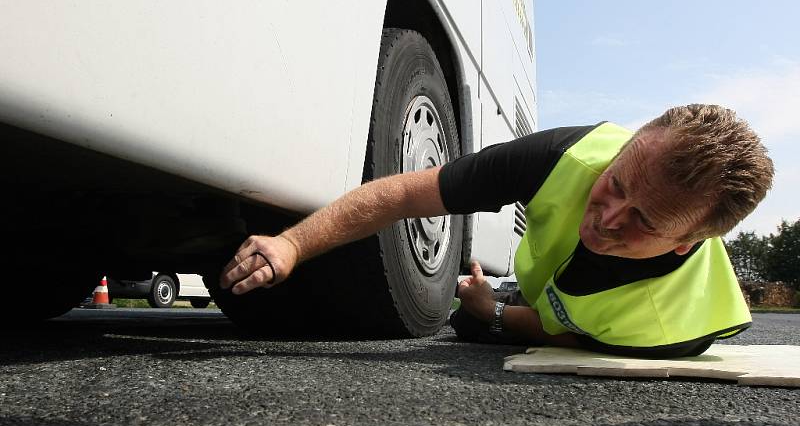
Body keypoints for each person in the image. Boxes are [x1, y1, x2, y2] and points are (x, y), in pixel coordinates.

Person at [219, 104, 773, 358]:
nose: (607, 219)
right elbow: (406, 192)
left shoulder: (663, 325)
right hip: (554, 287)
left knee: (472, 327)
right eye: (618, 184)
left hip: (614, 324)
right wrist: (291, 242)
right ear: (628, 145)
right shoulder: (564, 154)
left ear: (685, 242)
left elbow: (563, 336)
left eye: (643, 221)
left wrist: (496, 314)